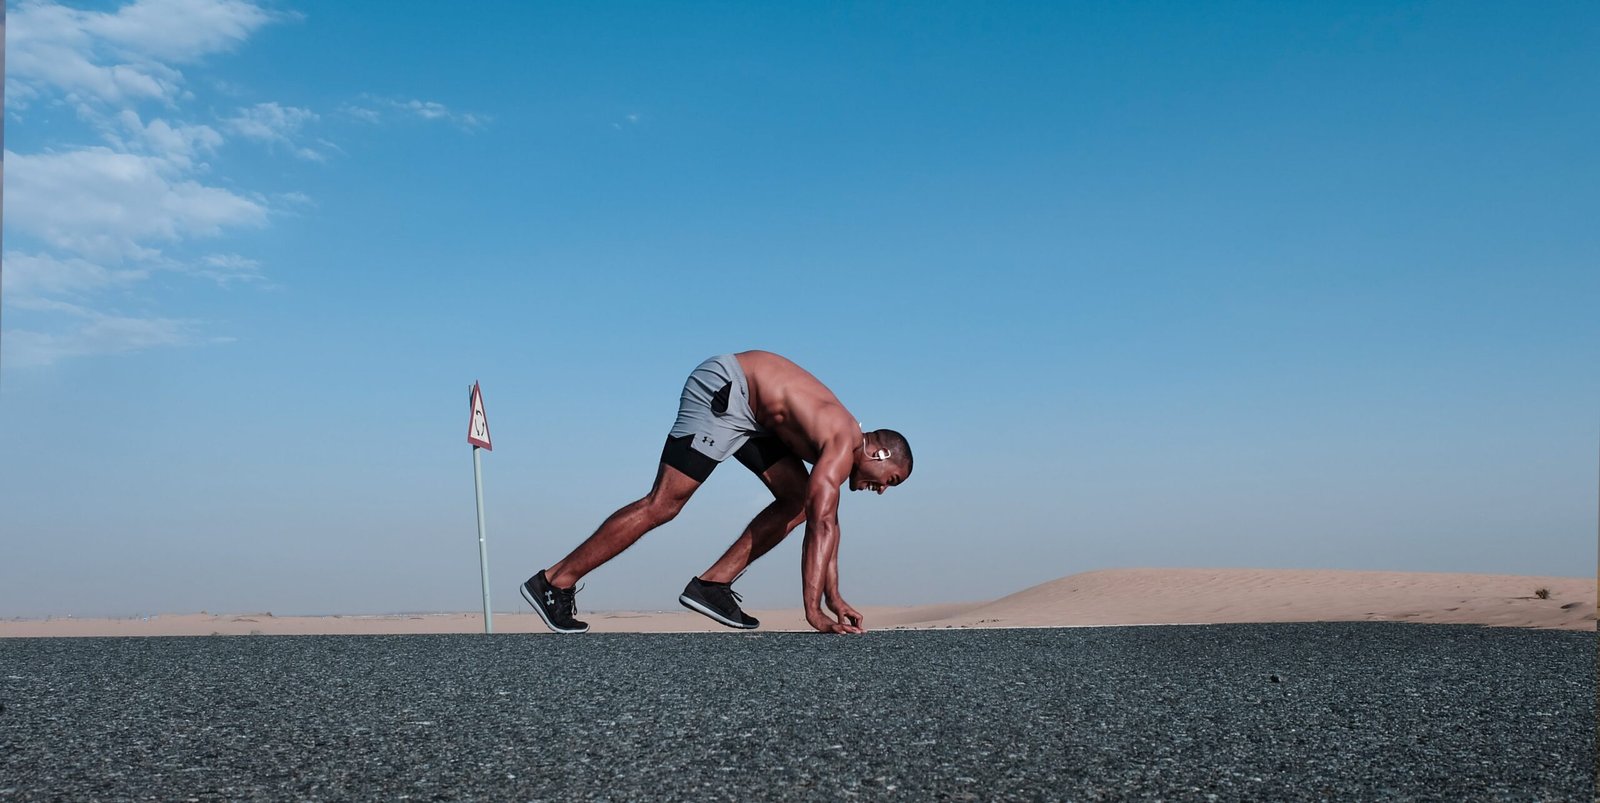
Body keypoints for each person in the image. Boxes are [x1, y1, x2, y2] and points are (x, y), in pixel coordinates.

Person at [521, 350, 912, 635]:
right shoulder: (843, 441)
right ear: (879, 453)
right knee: (664, 503)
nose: (881, 490)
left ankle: (712, 586)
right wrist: (815, 611)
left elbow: (826, 521)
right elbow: (825, 523)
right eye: (889, 480)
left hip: (756, 416)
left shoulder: (840, 441)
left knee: (797, 502)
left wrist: (834, 597)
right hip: (727, 389)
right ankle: (554, 582)